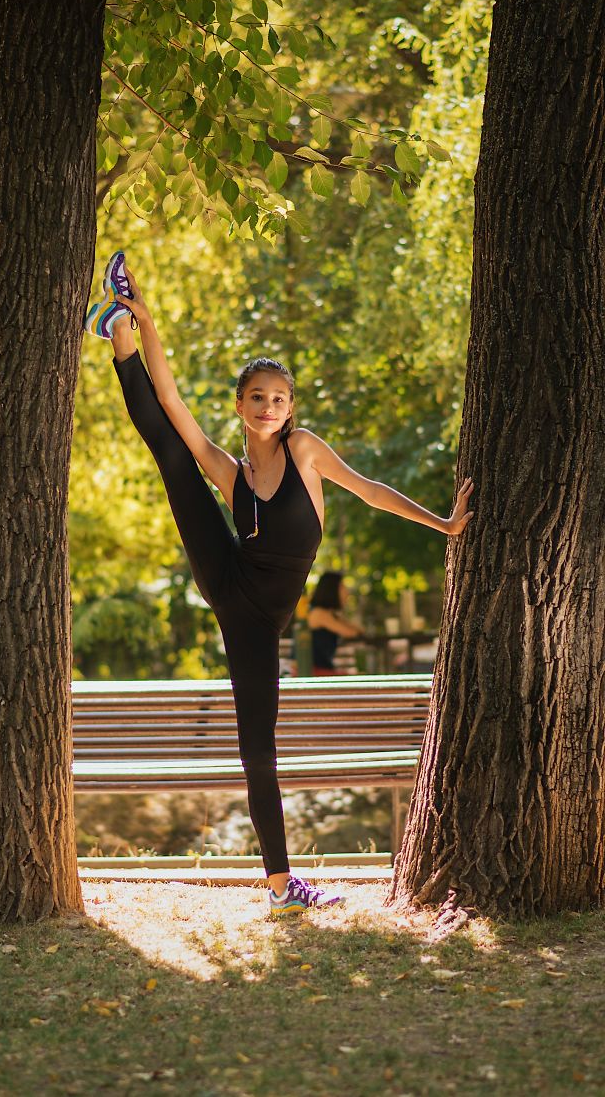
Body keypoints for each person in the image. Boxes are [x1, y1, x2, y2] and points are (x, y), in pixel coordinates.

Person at [84, 252, 474, 918]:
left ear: (291, 408)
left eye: (280, 398)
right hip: (227, 576)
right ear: (241, 406)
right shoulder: (232, 474)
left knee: (256, 748)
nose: (269, 406)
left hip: (256, 622)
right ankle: (119, 329)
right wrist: (146, 320)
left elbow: (370, 490)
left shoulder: (305, 451)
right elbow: (171, 403)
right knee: (174, 452)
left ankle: (280, 887)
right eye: (258, 397)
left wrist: (442, 523)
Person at [307, 571, 365, 676]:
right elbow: (351, 632)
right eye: (342, 587)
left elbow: (359, 630)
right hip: (311, 672)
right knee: (359, 678)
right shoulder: (320, 614)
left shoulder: (328, 613)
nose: (347, 592)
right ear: (331, 590)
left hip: (320, 670)